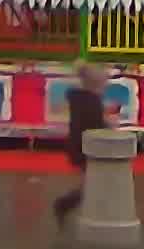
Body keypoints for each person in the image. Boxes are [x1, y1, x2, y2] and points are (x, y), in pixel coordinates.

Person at [48, 60, 112, 227]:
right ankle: (65, 205)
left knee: (95, 182)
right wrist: (110, 125)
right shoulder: (91, 101)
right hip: (86, 147)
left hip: (80, 145)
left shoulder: (80, 98)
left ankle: (69, 206)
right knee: (96, 183)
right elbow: (96, 125)